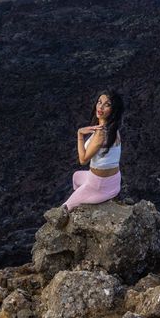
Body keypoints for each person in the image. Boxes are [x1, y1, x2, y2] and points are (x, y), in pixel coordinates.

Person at [58, 89, 124, 223]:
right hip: (114, 182)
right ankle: (84, 198)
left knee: (61, 212)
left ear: (114, 110)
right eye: (100, 102)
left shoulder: (101, 134)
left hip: (99, 185)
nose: (100, 107)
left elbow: (83, 160)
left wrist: (80, 135)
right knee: (76, 176)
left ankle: (85, 200)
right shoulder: (113, 129)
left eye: (107, 104)